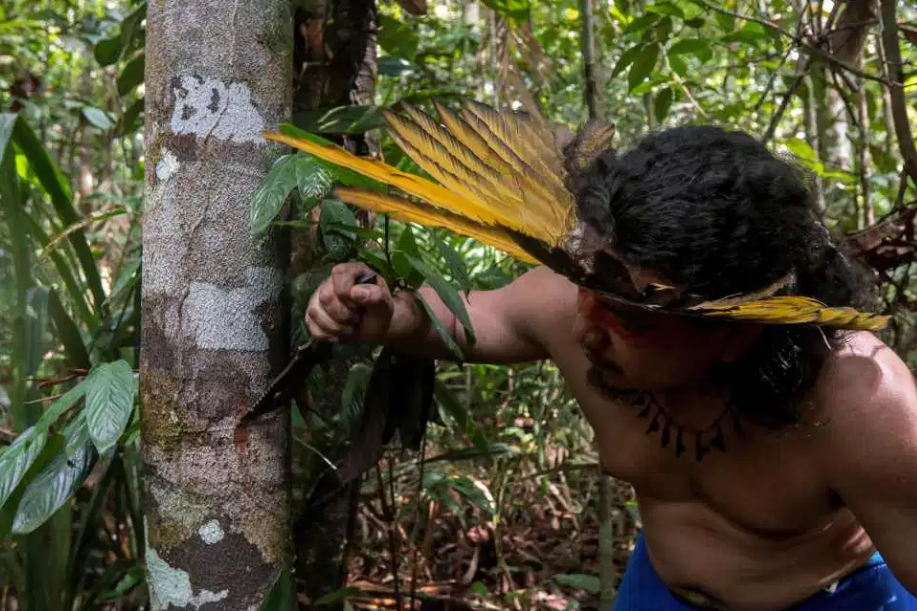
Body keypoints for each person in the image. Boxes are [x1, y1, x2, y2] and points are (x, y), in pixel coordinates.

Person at [304, 125, 917, 610]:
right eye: (584, 287)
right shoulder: (583, 301)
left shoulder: (859, 399)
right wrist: (386, 314)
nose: (582, 328)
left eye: (633, 319)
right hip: (656, 593)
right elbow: (474, 319)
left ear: (737, 334)